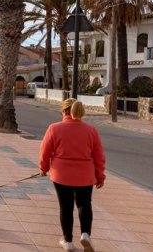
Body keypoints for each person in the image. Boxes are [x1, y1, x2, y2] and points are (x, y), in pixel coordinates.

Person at [39, 98, 105, 252]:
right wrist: (100, 176)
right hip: (85, 174)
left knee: (66, 207)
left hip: (61, 174)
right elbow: (99, 156)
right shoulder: (91, 130)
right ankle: (85, 234)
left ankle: (68, 241)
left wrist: (43, 168)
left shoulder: (54, 128)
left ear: (63, 111)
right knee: (84, 204)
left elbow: (45, 151)